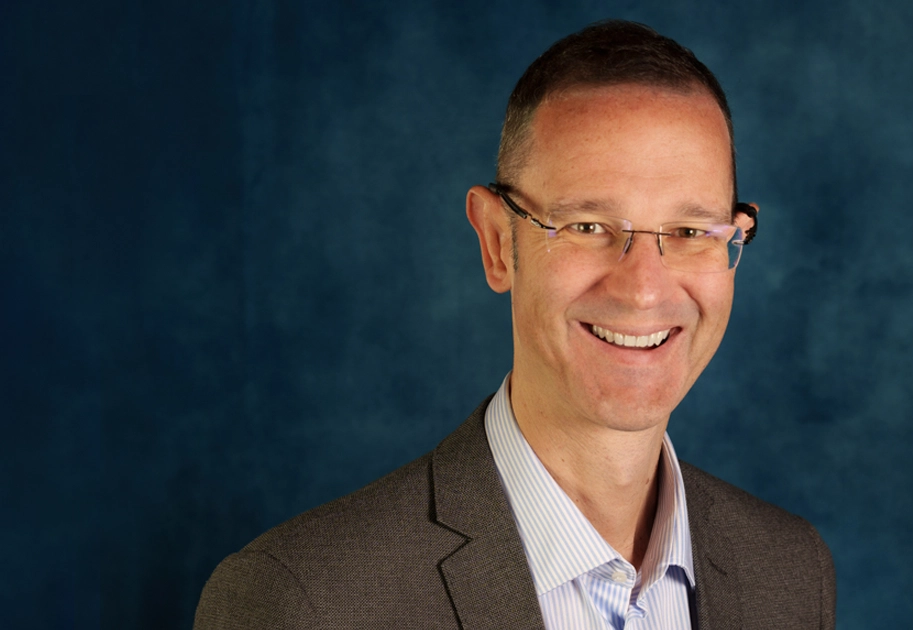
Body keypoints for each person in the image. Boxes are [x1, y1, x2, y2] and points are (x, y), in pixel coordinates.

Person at [195, 20, 835, 629]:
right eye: (588, 226)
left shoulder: (790, 573)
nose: (644, 289)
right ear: (498, 243)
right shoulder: (303, 603)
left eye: (691, 231)